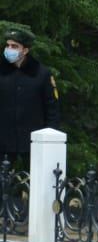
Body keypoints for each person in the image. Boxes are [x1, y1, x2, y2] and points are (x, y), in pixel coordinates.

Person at [0, 27, 60, 166]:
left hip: (34, 141)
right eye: (8, 45)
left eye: (14, 46)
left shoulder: (41, 74)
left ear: (25, 50)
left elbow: (52, 108)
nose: (9, 49)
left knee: (35, 182)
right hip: (3, 140)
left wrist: (50, 138)